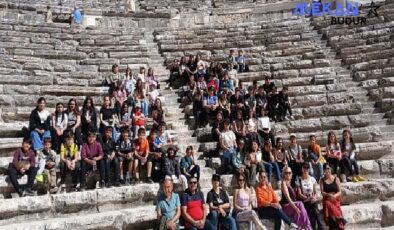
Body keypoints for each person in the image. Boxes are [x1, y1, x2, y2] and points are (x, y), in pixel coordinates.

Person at [296, 163, 324, 230]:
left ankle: (318, 226)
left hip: (312, 199)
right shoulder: (299, 179)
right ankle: (320, 226)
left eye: (307, 168)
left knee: (313, 210)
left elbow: (316, 191)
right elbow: (299, 193)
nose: (306, 169)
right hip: (304, 200)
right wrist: (307, 198)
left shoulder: (312, 179)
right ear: (301, 169)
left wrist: (314, 197)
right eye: (304, 167)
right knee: (314, 210)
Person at [320, 164, 346, 230]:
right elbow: (322, 192)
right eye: (325, 169)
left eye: (328, 168)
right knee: (326, 203)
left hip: (335, 199)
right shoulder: (322, 180)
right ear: (323, 170)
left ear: (330, 169)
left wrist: (334, 196)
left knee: (328, 205)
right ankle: (339, 218)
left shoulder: (336, 179)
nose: (327, 170)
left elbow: (340, 191)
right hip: (327, 198)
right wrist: (329, 195)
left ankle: (336, 219)